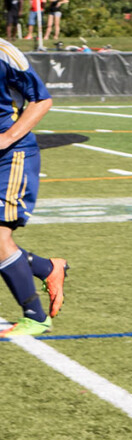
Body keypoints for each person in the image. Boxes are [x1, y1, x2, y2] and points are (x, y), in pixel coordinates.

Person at [0, 37, 69, 338]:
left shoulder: (3, 53)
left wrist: (6, 138)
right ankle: (47, 268)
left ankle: (36, 317)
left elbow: (42, 99)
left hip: (12, 156)